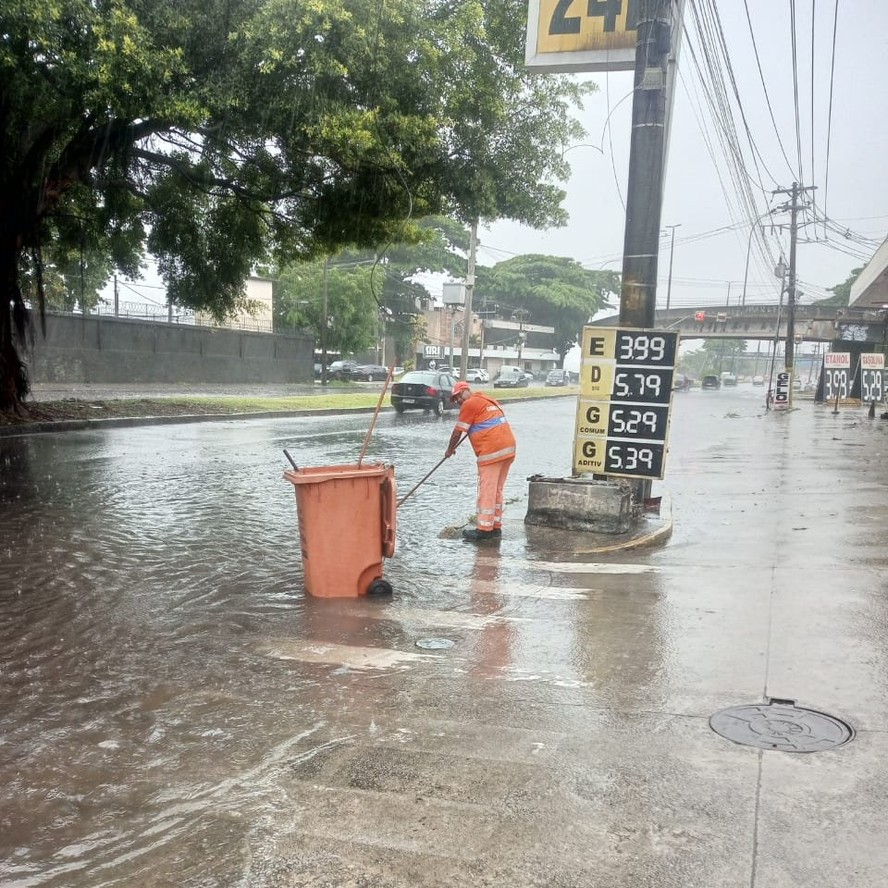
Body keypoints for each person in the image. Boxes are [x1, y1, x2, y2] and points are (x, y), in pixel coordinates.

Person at [444, 380, 516, 541]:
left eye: (457, 397)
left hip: (493, 452)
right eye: (455, 400)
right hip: (508, 449)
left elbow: (457, 432)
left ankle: (484, 529)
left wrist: (449, 450)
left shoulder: (469, 404)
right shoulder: (486, 400)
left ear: (465, 391)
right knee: (497, 489)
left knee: (487, 491)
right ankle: (495, 527)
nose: (457, 402)